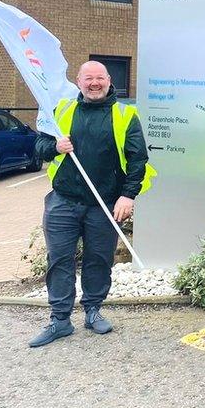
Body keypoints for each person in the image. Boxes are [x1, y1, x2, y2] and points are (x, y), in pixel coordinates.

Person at [29, 61, 153, 347]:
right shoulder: (61, 111)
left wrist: (128, 195)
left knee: (99, 260)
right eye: (88, 78)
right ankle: (59, 320)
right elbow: (39, 146)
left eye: (99, 78)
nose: (94, 83)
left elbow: (138, 160)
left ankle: (93, 310)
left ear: (109, 81)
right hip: (63, 201)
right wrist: (54, 147)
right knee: (59, 260)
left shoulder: (125, 114)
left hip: (104, 204)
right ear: (79, 81)